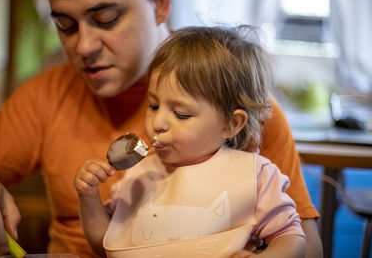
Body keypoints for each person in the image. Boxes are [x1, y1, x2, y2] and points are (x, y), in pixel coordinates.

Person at [0, 0, 322, 257]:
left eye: (107, 18)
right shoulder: (46, 95)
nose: (84, 46)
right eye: (65, 25)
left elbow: (305, 245)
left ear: (159, 3)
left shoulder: (238, 100)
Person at [75, 25, 306, 258]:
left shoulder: (256, 176)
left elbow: (293, 240)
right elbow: (105, 242)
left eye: (181, 114)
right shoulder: (140, 177)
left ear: (230, 124)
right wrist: (89, 196)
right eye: (153, 106)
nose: (158, 122)